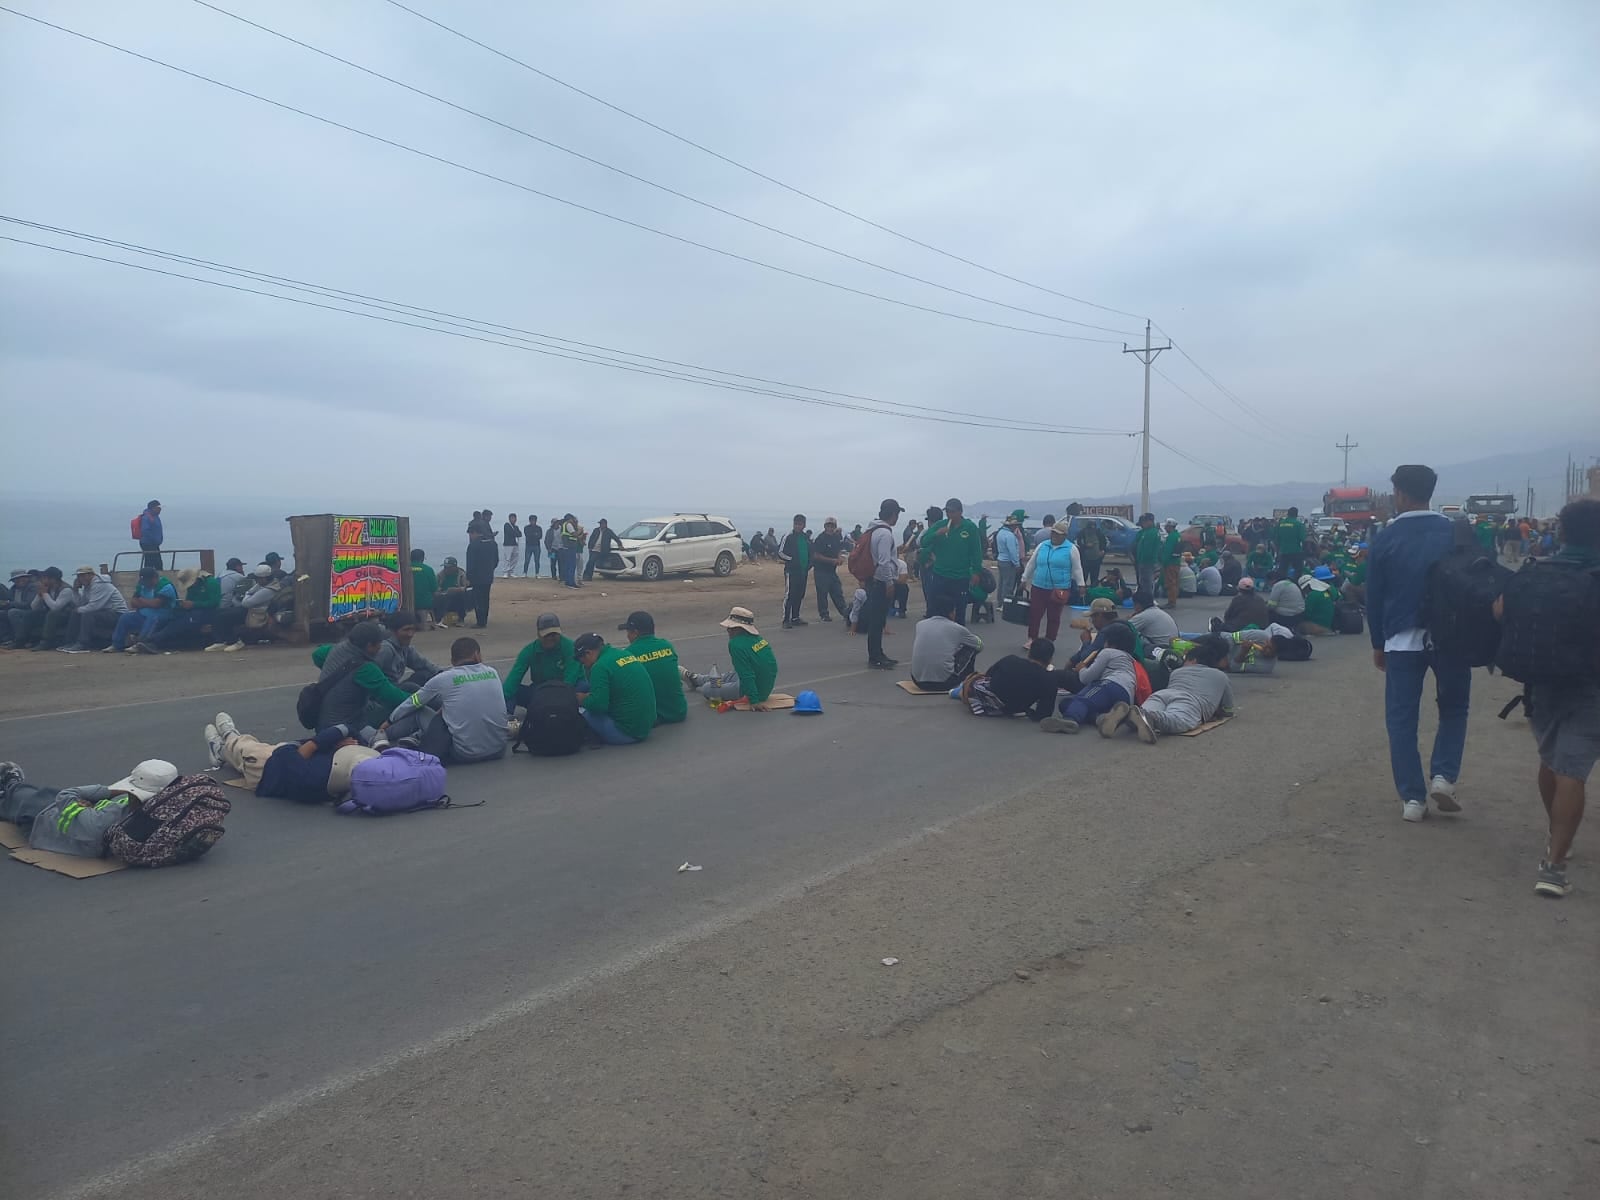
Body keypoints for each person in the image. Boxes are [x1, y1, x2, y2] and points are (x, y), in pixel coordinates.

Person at [1498, 498, 1599, 897]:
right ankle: (1554, 867)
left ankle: (1560, 837)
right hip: (1589, 685)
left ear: (1560, 532)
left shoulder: (1536, 570)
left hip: (1542, 682)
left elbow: (1500, 610)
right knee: (1571, 771)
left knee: (1552, 760)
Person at [1367, 464, 1468, 823]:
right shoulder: (1456, 531)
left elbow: (1374, 596)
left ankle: (1412, 799)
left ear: (1400, 494)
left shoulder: (1386, 537)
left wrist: (1378, 642)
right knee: (1454, 710)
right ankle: (1443, 776)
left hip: (1401, 639)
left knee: (1401, 721)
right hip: (1453, 639)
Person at [380, 637, 508, 763]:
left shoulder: (444, 678)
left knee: (420, 711)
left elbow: (413, 702)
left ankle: (380, 735)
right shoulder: (492, 672)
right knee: (447, 710)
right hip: (498, 750)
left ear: (452, 661)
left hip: (465, 753)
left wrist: (390, 720)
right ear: (477, 655)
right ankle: (417, 736)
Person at [205, 711, 377, 803]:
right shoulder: (359, 758)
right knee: (260, 747)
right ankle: (229, 739)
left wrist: (315, 744)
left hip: (269, 771)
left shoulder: (313, 780)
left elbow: (286, 754)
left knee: (249, 752)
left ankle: (222, 746)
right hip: (289, 757)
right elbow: (349, 729)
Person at [1105, 635, 1235, 743]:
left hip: (1162, 694)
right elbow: (1228, 709)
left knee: (1142, 712)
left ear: (1194, 660)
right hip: (1190, 701)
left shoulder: (1177, 672)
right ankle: (1152, 718)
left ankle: (1125, 716)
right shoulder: (1220, 676)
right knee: (1175, 720)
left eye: (1186, 660)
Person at [311, 620, 412, 739]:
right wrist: (424, 700)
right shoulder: (365, 669)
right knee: (402, 712)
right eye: (380, 643)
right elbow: (393, 697)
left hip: (323, 723)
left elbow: (317, 654)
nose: (381, 647)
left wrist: (338, 674)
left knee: (406, 688)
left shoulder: (338, 648)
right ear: (369, 645)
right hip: (346, 727)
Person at [1043, 620, 1137, 734]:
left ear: (1113, 643)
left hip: (1110, 684)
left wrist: (1081, 668)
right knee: (1066, 704)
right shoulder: (1129, 658)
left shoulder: (1108, 652)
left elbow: (1086, 678)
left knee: (1082, 700)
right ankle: (1102, 719)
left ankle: (1069, 720)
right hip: (1126, 695)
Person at [684, 606, 780, 707]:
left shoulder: (736, 644)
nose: (728, 630)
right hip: (765, 685)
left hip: (750, 689)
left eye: (731, 627)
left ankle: (699, 681)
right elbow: (772, 666)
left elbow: (746, 674)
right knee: (727, 676)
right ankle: (696, 679)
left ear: (740, 628)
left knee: (707, 688)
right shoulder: (758, 639)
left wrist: (754, 700)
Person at [573, 632, 657, 744]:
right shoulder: (624, 653)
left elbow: (599, 705)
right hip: (646, 727)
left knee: (583, 712)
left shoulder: (599, 667)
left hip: (626, 733)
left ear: (588, 653)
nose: (582, 664)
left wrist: (581, 699)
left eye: (581, 660)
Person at [919, 498, 984, 625]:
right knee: (935, 610)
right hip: (940, 575)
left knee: (959, 611)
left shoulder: (970, 528)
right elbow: (923, 542)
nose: (950, 515)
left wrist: (976, 571)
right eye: (947, 512)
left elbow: (976, 551)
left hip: (961, 576)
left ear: (960, 512)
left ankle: (959, 639)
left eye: (952, 512)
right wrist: (936, 534)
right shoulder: (940, 525)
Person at [1020, 518, 1084, 646]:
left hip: (1059, 588)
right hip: (1039, 586)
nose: (1054, 536)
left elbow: (1077, 568)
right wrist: (1024, 578)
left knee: (1054, 616)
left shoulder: (1071, 549)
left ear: (1064, 536)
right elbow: (1032, 563)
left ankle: (1050, 640)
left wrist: (1081, 584)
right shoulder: (1043, 545)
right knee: (1035, 614)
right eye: (1053, 533)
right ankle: (1032, 638)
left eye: (1058, 534)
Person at [618, 610, 687, 725]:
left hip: (653, 717)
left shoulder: (628, 655)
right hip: (678, 711)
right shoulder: (666, 645)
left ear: (635, 633)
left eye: (628, 632)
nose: (627, 636)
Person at [504, 612, 582, 713]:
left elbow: (570, 679)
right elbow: (513, 679)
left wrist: (557, 700)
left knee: (584, 686)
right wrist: (503, 697)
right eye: (547, 635)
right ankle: (505, 719)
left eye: (554, 634)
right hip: (541, 690)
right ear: (539, 634)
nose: (551, 638)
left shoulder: (570, 647)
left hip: (566, 690)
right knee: (510, 689)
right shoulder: (529, 651)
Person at [963, 639, 1059, 720]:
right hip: (1015, 707)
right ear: (1050, 659)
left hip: (992, 696)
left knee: (974, 682)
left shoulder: (1010, 660)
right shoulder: (1049, 679)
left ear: (1029, 653)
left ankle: (957, 691)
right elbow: (1044, 713)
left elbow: (988, 675)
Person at [860, 500, 903, 670]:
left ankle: (878, 653)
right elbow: (884, 562)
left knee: (877, 620)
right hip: (880, 582)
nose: (897, 517)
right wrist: (889, 583)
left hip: (874, 580)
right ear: (893, 514)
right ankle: (875, 656)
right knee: (877, 621)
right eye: (897, 514)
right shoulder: (885, 534)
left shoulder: (874, 530)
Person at [139, 568, 223, 652]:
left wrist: (194, 604)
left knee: (181, 623)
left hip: (208, 613)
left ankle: (151, 640)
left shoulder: (211, 583)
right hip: (194, 612)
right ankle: (154, 641)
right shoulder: (192, 587)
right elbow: (190, 600)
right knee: (176, 617)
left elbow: (214, 603)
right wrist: (183, 606)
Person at [910, 595, 983, 691]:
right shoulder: (957, 628)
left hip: (918, 680)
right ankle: (968, 679)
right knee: (971, 647)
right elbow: (980, 645)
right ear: (951, 612)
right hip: (944, 683)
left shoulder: (920, 624)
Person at [57, 565, 129, 652]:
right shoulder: (88, 586)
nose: (80, 578)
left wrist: (78, 609)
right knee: (77, 612)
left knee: (87, 614)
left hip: (117, 613)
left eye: (83, 575)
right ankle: (70, 641)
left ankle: (83, 643)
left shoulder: (100, 584)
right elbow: (81, 604)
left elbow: (94, 606)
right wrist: (75, 590)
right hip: (104, 611)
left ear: (91, 575)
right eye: (79, 576)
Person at [107, 567, 178, 652]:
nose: (145, 584)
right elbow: (133, 603)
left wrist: (142, 602)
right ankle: (117, 645)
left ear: (154, 578)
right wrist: (147, 603)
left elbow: (156, 604)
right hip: (143, 614)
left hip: (163, 615)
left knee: (152, 619)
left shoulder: (166, 586)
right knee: (125, 617)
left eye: (147, 581)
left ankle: (142, 643)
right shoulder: (142, 585)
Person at [25, 567, 77, 651]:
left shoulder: (66, 589)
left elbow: (55, 607)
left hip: (67, 616)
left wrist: (44, 594)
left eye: (45, 578)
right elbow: (33, 607)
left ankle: (46, 642)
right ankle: (22, 639)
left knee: (52, 614)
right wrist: (39, 595)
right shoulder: (47, 588)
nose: (42, 580)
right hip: (52, 614)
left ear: (53, 579)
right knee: (30, 614)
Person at [1068, 596, 1124, 667]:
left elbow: (1086, 657)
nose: (1092, 622)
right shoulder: (1125, 625)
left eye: (1092, 617)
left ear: (1099, 615)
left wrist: (1086, 641)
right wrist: (1073, 659)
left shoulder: (1107, 631)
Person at [778, 514, 812, 629]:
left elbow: (810, 551)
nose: (798, 526)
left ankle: (795, 617)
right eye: (796, 524)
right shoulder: (788, 536)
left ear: (804, 525)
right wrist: (792, 560)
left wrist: (809, 564)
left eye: (800, 524)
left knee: (800, 594)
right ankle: (786, 619)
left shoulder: (806, 537)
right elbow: (780, 552)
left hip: (803, 571)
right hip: (791, 571)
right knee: (790, 595)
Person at [811, 517, 848, 622]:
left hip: (832, 571)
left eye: (832, 526)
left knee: (837, 591)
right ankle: (824, 614)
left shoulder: (836, 538)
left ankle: (844, 612)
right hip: (821, 570)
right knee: (822, 593)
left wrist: (840, 557)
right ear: (825, 526)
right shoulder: (820, 538)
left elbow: (840, 550)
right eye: (828, 526)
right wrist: (832, 560)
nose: (830, 528)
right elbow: (816, 555)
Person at [465, 527, 498, 627]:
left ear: (475, 532)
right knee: (485, 598)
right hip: (488, 575)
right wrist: (490, 569)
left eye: (470, 534)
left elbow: (470, 563)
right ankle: (484, 620)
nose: (470, 537)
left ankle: (480, 621)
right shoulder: (492, 543)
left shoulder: (473, 545)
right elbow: (496, 560)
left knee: (478, 600)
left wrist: (468, 577)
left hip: (477, 577)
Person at [996, 510, 1027, 602]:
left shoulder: (1000, 533)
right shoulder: (1010, 536)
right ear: (1012, 526)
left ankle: (1000, 602)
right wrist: (1017, 564)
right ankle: (1005, 603)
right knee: (1008, 585)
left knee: (1002, 583)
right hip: (1009, 562)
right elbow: (1013, 552)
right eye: (1016, 525)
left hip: (1001, 560)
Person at [432, 556, 469, 626]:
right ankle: (438, 619)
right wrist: (439, 591)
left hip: (456, 598)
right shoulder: (440, 575)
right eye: (445, 567)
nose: (446, 569)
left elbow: (465, 587)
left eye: (448, 567)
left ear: (454, 567)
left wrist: (456, 589)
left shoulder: (461, 574)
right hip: (443, 597)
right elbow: (435, 587)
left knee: (461, 595)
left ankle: (461, 619)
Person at [1133, 512, 1161, 598]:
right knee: (1143, 582)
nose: (1143, 524)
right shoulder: (1145, 532)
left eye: (1145, 522)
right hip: (1142, 561)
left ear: (1150, 521)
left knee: (1147, 582)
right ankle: (1145, 598)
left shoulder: (1152, 533)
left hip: (1147, 562)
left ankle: (1149, 599)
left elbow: (1148, 549)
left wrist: (1144, 560)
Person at [1274, 507, 1308, 576]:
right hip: (1296, 551)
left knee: (1282, 571)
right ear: (1296, 514)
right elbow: (1303, 539)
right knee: (1298, 571)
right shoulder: (1298, 524)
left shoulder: (1280, 524)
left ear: (1288, 514)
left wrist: (1278, 551)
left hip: (1283, 552)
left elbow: (1276, 539)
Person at [1075, 517, 1107, 587]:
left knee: (1094, 579)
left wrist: (1103, 551)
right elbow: (1078, 543)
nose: (1092, 529)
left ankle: (1093, 591)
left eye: (1094, 527)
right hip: (1085, 560)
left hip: (1096, 560)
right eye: (1090, 527)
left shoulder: (1099, 533)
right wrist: (1086, 545)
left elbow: (1104, 543)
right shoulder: (1082, 533)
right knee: (1084, 577)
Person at [410, 550, 437, 628]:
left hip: (405, 603)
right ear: (422, 558)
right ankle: (436, 621)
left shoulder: (403, 569)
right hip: (424, 603)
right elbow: (434, 589)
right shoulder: (428, 569)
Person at [1161, 521, 1185, 606]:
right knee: (1175, 581)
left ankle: (1171, 601)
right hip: (1176, 562)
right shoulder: (1177, 535)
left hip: (1170, 563)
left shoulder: (1171, 537)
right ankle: (1173, 600)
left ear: (1170, 527)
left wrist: (1163, 562)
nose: (1165, 528)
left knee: (1170, 582)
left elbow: (1167, 551)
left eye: (1166, 526)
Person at [558, 513, 584, 589]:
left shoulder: (564, 525)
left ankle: (569, 582)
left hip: (567, 547)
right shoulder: (568, 525)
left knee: (568, 565)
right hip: (570, 547)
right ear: (570, 519)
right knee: (571, 566)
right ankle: (570, 583)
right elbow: (574, 534)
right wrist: (580, 531)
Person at [136, 500, 164, 571]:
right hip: (148, 543)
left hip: (154, 544)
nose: (160, 509)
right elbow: (145, 531)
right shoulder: (146, 517)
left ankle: (154, 576)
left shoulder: (155, 517)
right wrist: (154, 540)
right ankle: (147, 576)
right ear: (152, 508)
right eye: (158, 508)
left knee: (155, 562)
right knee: (152, 562)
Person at [500, 513, 522, 579]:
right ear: (509, 519)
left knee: (515, 558)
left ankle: (511, 571)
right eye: (512, 518)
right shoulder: (506, 525)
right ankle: (505, 572)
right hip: (508, 544)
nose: (514, 519)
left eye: (514, 518)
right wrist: (515, 533)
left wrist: (515, 533)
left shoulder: (516, 527)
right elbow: (510, 533)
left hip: (515, 544)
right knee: (507, 558)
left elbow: (520, 534)